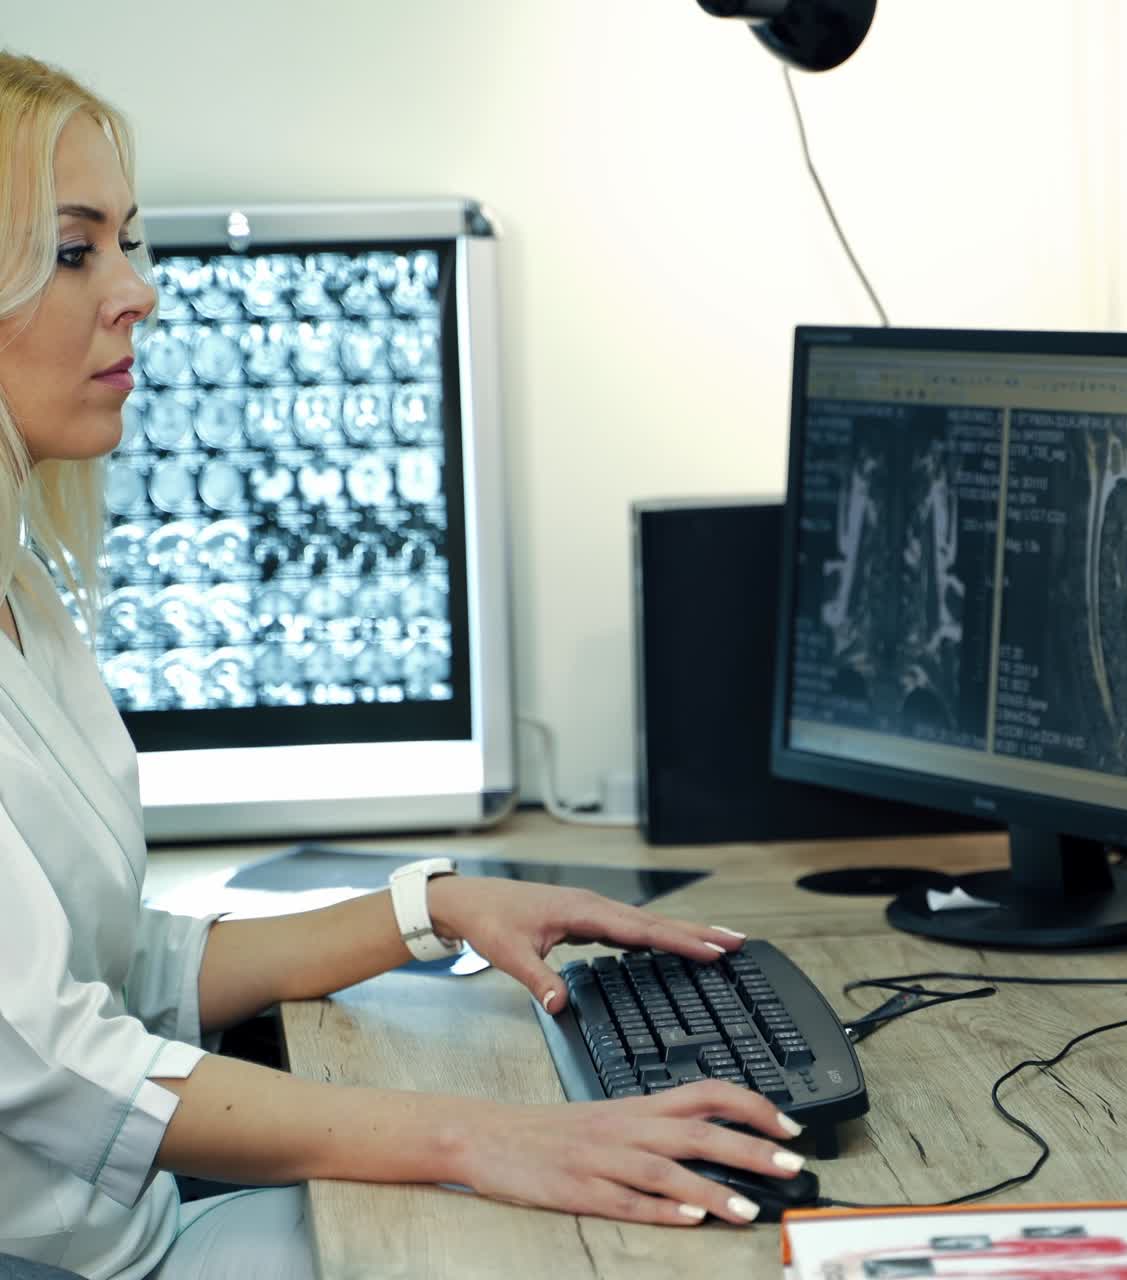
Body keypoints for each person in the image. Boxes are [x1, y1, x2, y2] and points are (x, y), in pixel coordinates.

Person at [0, 51, 808, 1280]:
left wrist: (426, 906)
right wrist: (485, 1139)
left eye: (130, 243)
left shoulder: (23, 589)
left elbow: (121, 974)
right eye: (75, 251)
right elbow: (55, 1064)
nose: (139, 293)